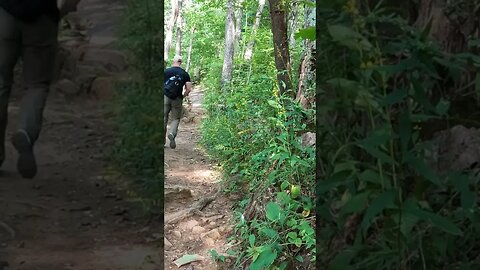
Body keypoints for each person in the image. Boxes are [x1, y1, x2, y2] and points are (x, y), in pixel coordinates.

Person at [0, 0, 80, 178]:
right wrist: (60, 12)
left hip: (4, 14)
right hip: (42, 18)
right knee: (36, 85)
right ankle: (26, 132)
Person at [164, 55, 192, 149]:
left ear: (173, 61)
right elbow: (188, 88)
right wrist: (183, 96)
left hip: (165, 97)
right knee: (175, 118)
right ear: (181, 62)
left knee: (164, 117)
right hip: (177, 98)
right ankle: (172, 133)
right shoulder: (184, 73)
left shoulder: (166, 71)